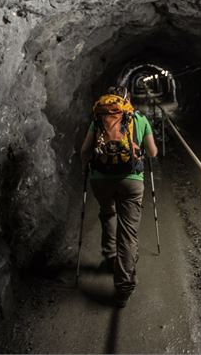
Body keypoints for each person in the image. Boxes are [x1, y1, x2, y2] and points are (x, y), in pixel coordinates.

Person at [80, 86, 158, 307]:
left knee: (107, 212)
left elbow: (85, 151)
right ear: (128, 100)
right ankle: (123, 286)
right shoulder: (139, 118)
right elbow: (152, 152)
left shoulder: (98, 119)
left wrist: (84, 168)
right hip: (131, 180)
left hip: (100, 179)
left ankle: (109, 254)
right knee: (129, 233)